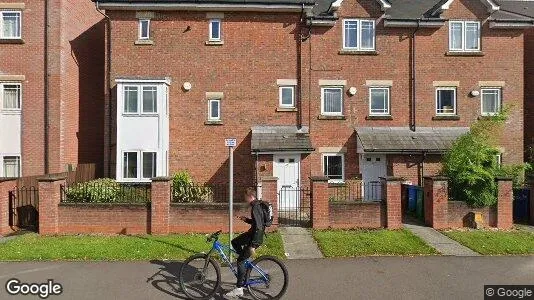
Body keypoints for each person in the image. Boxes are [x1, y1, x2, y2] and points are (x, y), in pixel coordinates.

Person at [225, 187, 265, 298]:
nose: (244, 199)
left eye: (245, 197)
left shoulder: (255, 207)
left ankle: (239, 288)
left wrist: (252, 245)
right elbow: (256, 222)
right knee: (235, 242)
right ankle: (244, 261)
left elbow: (259, 226)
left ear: (249, 196)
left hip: (254, 238)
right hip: (252, 235)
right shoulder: (257, 205)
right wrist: (245, 219)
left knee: (240, 261)